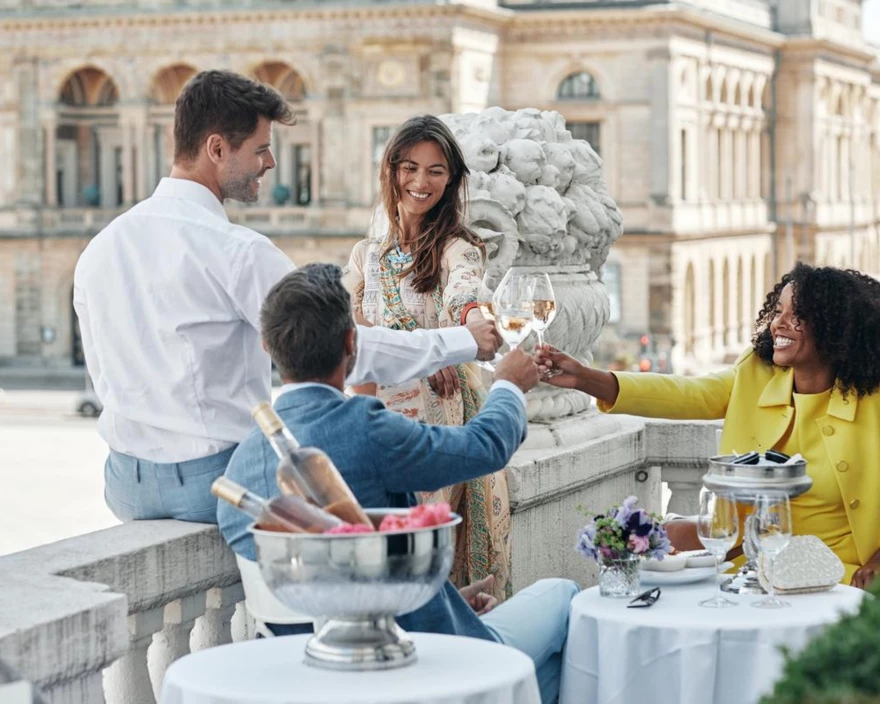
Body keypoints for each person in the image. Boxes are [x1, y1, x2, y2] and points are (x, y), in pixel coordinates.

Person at [73, 70, 501, 525]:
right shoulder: (239, 251)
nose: (272, 162)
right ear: (216, 149)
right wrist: (465, 341)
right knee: (373, 498)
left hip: (124, 485)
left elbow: (98, 368)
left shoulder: (101, 247)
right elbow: (345, 349)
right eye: (260, 149)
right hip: (217, 481)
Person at [219, 263, 578, 704]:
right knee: (564, 596)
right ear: (351, 343)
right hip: (414, 664)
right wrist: (508, 386)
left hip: (308, 676)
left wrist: (442, 599)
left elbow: (338, 585)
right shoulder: (362, 428)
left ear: (266, 347)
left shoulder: (239, 464)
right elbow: (484, 447)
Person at [538, 263, 880, 590]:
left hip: (839, 572)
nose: (780, 324)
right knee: (657, 544)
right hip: (754, 564)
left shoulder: (872, 402)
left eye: (798, 315)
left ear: (836, 327)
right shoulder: (755, 374)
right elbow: (688, 394)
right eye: (778, 312)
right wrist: (585, 378)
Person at [343, 115, 511, 599]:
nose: (421, 182)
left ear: (452, 179)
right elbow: (347, 328)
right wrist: (422, 349)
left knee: (424, 540)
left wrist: (470, 325)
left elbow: (465, 296)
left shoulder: (458, 248)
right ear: (391, 170)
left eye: (436, 171)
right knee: (382, 539)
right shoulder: (365, 256)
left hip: (435, 415)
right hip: (374, 415)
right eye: (409, 167)